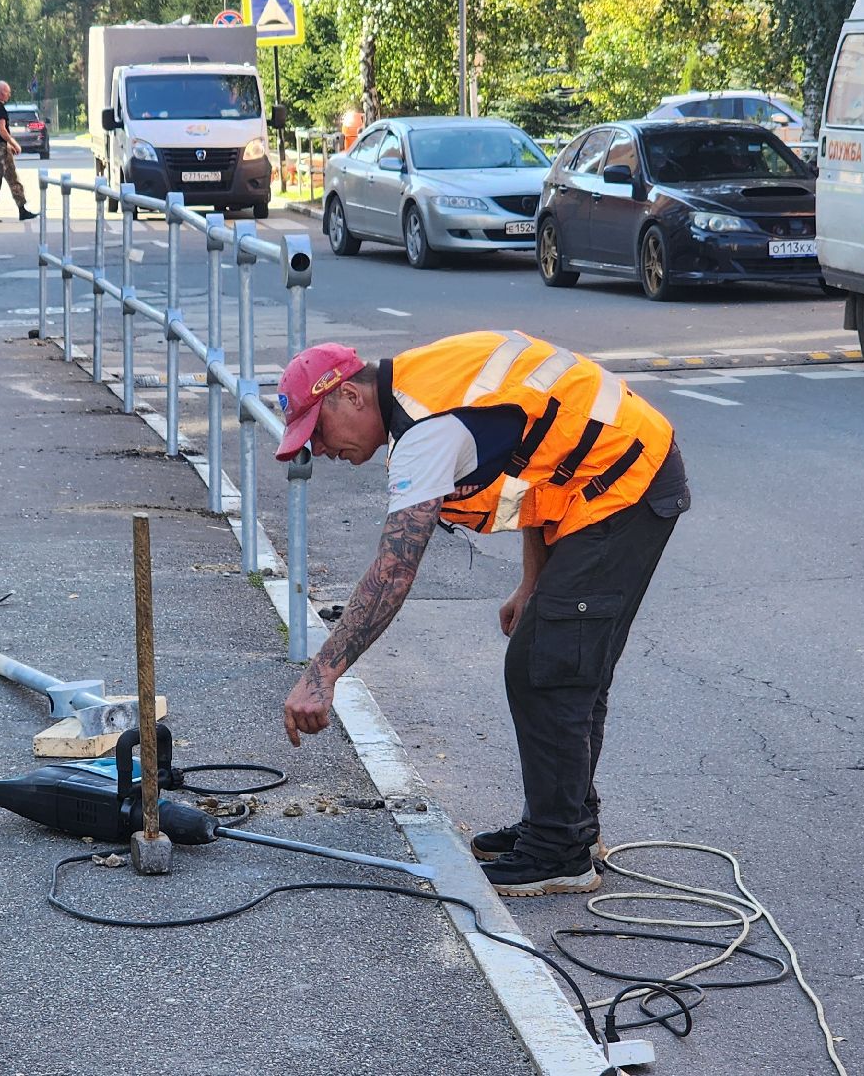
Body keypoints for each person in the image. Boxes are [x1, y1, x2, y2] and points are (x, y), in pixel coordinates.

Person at [275, 334, 690, 897]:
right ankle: (566, 824)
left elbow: (394, 570)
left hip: (626, 484)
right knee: (562, 662)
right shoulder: (423, 392)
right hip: (602, 482)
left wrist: (322, 675)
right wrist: (532, 583)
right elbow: (540, 467)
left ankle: (559, 849)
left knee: (550, 668)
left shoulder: (427, 428)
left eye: (317, 431)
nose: (320, 450)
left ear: (349, 395)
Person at [0, 80, 36, 223]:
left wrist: (8, 146)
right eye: (7, 92)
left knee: (12, 177)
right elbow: (1, 130)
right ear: (0, 93)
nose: (9, 95)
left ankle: (22, 210)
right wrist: (14, 143)